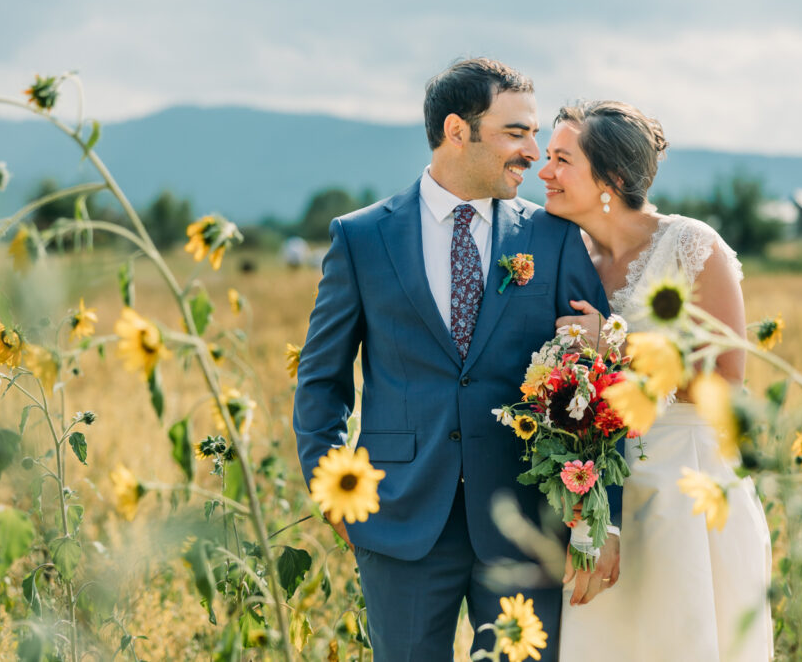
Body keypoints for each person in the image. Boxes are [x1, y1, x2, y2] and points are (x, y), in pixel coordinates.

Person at [293, 59, 618, 661]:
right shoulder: (362, 238)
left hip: (525, 522)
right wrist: (329, 486)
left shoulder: (552, 237)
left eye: (533, 132)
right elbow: (321, 380)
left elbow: (598, 390)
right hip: (399, 517)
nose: (534, 150)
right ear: (456, 130)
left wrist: (603, 518)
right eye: (515, 132)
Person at [540, 100, 774, 661]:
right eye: (546, 156)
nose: (543, 171)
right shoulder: (565, 252)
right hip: (600, 500)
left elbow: (727, 380)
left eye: (562, 159)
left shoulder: (692, 246)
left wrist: (614, 348)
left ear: (612, 180)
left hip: (686, 490)